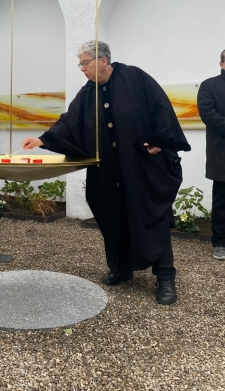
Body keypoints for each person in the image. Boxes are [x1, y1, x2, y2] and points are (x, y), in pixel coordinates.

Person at [22, 40, 191, 305]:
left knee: (151, 218)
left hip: (140, 167)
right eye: (80, 64)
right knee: (113, 217)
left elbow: (161, 107)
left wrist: (161, 140)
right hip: (108, 171)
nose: (82, 68)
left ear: (103, 60)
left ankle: (165, 277)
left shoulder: (134, 77)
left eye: (85, 63)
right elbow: (70, 122)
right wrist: (43, 140)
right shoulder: (88, 93)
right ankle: (121, 268)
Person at [197, 50, 225, 260]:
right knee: (222, 200)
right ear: (222, 64)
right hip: (221, 152)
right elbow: (208, 114)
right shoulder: (209, 86)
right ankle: (220, 242)